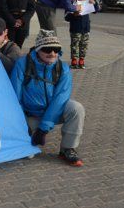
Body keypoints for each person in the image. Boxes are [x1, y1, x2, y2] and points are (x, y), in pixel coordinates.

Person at [10, 30, 86, 167]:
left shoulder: (62, 68)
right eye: (47, 49)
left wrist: (43, 129)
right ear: (38, 49)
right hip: (30, 114)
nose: (52, 53)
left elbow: (60, 99)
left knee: (76, 108)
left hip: (53, 112)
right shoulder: (23, 64)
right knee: (28, 155)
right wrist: (22, 124)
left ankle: (67, 149)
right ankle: (28, 135)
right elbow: (15, 97)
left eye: (56, 49)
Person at [65, 0, 98, 69]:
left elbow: (96, 10)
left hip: (86, 29)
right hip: (75, 29)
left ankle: (81, 60)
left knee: (84, 45)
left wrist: (94, 3)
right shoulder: (71, 5)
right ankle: (74, 60)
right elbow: (66, 17)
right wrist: (74, 15)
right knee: (74, 45)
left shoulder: (86, 3)